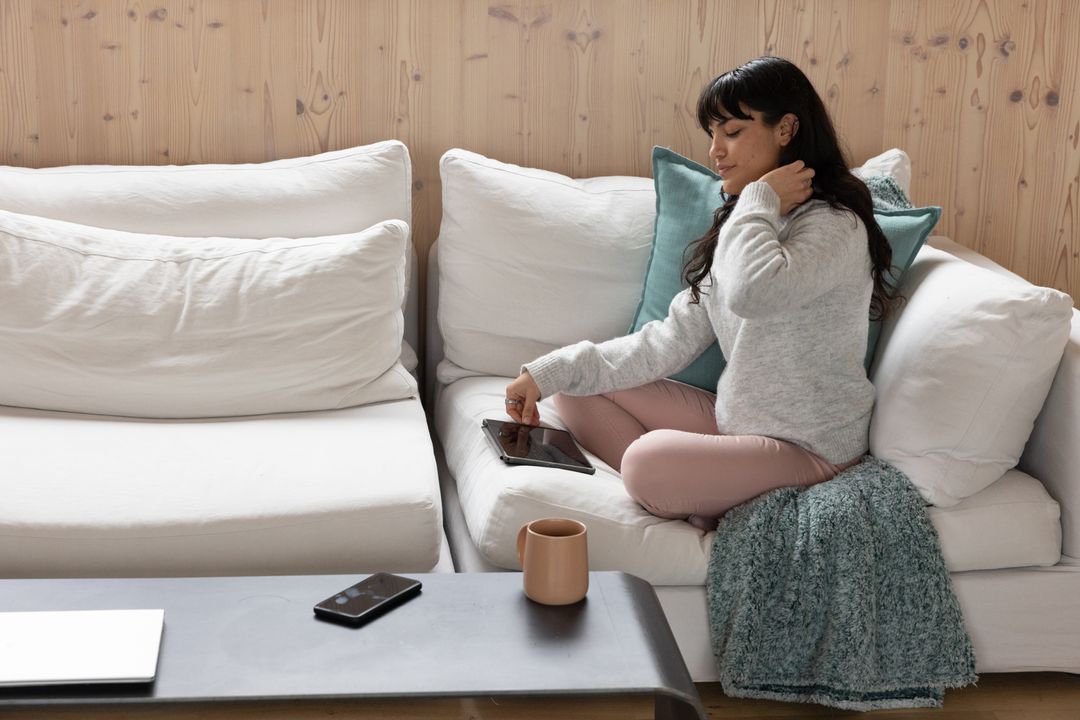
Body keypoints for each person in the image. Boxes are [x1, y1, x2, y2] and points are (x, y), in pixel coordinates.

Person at [503, 56, 899, 531]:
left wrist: (757, 201)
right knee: (572, 386)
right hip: (740, 423)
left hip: (810, 449)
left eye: (731, 131)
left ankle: (678, 486)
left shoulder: (834, 225)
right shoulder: (743, 224)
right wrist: (547, 373)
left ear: (787, 128)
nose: (715, 150)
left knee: (648, 461)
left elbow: (754, 293)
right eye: (712, 134)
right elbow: (666, 342)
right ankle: (696, 492)